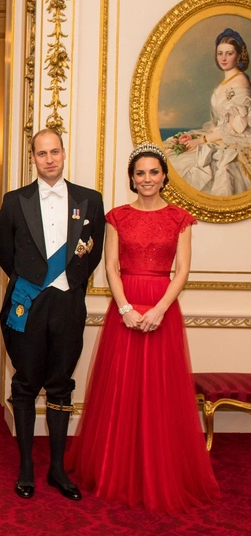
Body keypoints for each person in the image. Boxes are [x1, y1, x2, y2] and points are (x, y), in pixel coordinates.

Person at [65, 142, 220, 512]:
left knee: (160, 392)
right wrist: (125, 308)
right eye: (140, 173)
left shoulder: (180, 218)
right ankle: (117, 468)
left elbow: (182, 271)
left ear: (164, 176)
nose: (147, 178)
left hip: (162, 308)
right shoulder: (117, 217)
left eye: (153, 172)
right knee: (122, 388)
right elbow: (111, 267)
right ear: (131, 179)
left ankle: (159, 471)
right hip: (127, 308)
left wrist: (160, 309)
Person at [0, 129, 106, 501]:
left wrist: (69, 284)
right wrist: (33, 282)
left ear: (63, 153)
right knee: (26, 382)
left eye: (54, 151)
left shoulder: (90, 200)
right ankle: (26, 466)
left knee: (60, 384)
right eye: (41, 153)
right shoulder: (15, 201)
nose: (49, 159)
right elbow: (5, 253)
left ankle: (57, 467)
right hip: (28, 302)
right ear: (33, 158)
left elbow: (94, 253)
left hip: (67, 303)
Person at [164, 28, 251, 196]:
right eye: (220, 53)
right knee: (173, 154)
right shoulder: (226, 82)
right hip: (219, 135)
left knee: (206, 167)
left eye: (229, 53)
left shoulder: (240, 82)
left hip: (235, 140)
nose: (223, 58)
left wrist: (201, 140)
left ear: (239, 55)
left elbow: (233, 128)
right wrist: (197, 136)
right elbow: (218, 123)